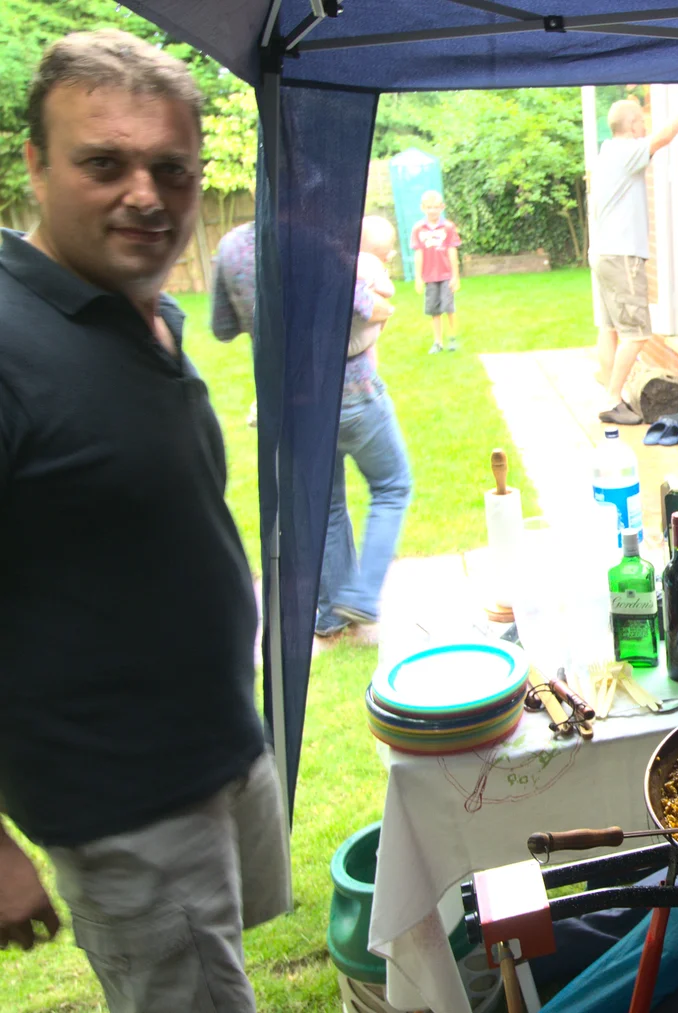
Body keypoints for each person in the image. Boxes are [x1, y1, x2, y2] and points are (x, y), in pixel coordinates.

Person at [0, 29, 289, 1010]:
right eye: (103, 163)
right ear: (36, 162)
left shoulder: (137, 307)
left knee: (224, 960)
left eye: (171, 168)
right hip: (122, 794)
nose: (146, 194)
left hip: (214, 739)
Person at [316, 215, 413, 637]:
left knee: (331, 504)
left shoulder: (306, 260)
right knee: (393, 486)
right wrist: (387, 308)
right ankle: (361, 594)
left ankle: (333, 613)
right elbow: (363, 304)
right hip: (355, 393)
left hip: (310, 399)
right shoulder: (361, 266)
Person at [592, 87, 678, 425]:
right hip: (622, 256)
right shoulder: (626, 151)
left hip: (605, 254)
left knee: (610, 329)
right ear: (634, 124)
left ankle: (615, 395)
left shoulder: (607, 151)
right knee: (637, 334)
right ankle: (612, 399)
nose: (646, 126)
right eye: (642, 120)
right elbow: (664, 137)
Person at [211, 219, 259, 426]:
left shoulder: (232, 245)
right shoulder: (321, 239)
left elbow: (223, 328)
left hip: (275, 392)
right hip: (349, 392)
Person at [411, 189, 461, 354]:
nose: (432, 210)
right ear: (422, 208)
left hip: (446, 275)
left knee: (449, 307)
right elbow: (418, 253)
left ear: (442, 207)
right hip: (429, 277)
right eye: (429, 207)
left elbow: (452, 251)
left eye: (435, 207)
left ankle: (452, 338)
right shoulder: (419, 229)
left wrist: (455, 276)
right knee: (434, 310)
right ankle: (438, 342)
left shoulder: (448, 227)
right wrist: (418, 277)